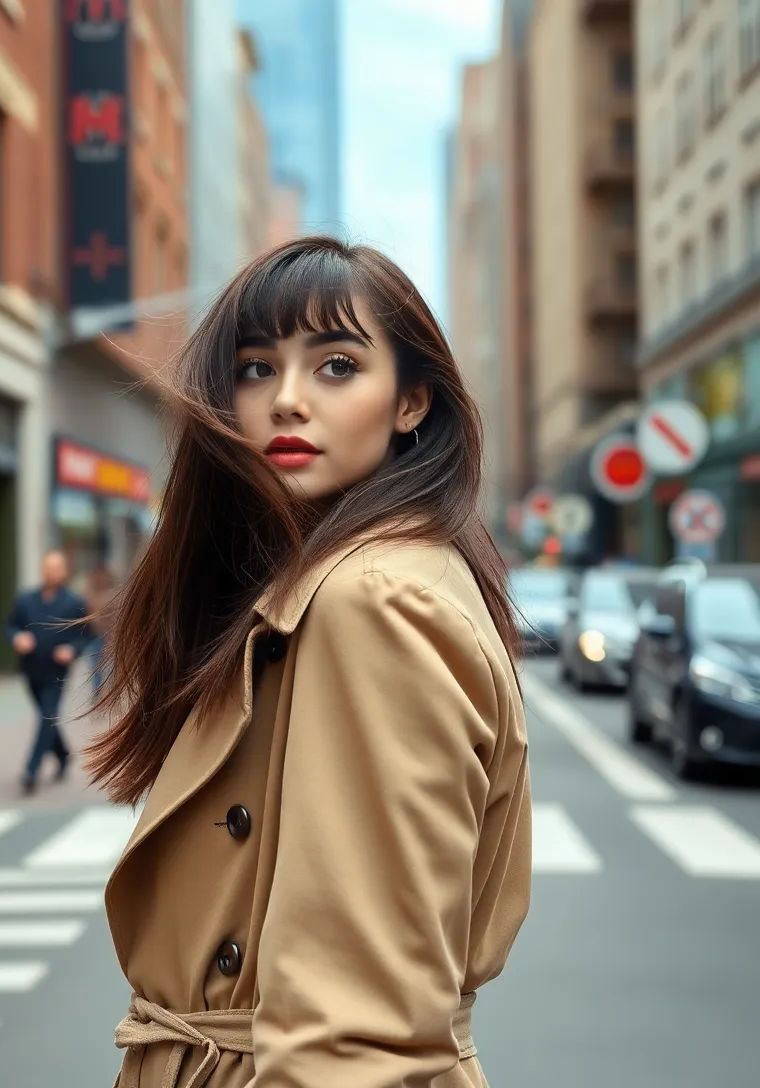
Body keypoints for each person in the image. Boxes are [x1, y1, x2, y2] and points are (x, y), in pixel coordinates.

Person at [88, 238, 531, 1088]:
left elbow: (357, 1034)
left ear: (411, 403)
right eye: (256, 368)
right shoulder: (355, 577)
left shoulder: (375, 602)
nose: (286, 401)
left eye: (336, 366)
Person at [7, 551, 90, 795]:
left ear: (64, 571)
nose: (51, 572)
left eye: (56, 568)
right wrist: (17, 637)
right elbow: (11, 625)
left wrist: (71, 650)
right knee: (48, 716)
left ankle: (30, 771)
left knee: (46, 716)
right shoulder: (26, 599)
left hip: (57, 671)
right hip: (31, 669)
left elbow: (85, 635)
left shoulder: (74, 602)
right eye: (47, 567)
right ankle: (63, 755)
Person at [84, 565, 118, 694]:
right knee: (98, 664)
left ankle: (103, 692)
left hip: (106, 635)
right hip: (98, 635)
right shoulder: (92, 593)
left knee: (101, 665)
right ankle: (100, 691)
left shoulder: (110, 594)